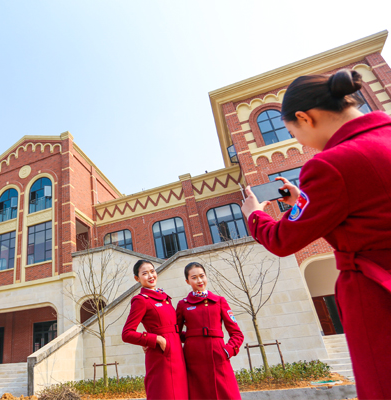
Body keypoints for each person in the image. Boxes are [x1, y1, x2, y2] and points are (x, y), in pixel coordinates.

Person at [240, 69, 391, 400]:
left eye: (292, 131)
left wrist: (254, 215)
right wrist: (302, 202)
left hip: (379, 295)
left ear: (304, 118)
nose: (297, 141)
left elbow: (284, 240)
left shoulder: (331, 165)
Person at [176, 262, 244, 400]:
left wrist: (228, 350)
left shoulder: (219, 301)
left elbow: (237, 333)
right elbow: (175, 332)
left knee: (227, 394)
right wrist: (191, 338)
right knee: (198, 394)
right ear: (187, 281)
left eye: (202, 276)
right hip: (193, 358)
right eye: (194, 277)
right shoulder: (183, 305)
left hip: (218, 355)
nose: (199, 280)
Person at [122, 260, 187, 400]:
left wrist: (195, 336)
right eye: (145, 273)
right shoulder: (141, 300)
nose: (151, 276)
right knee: (165, 394)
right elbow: (127, 334)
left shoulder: (165, 298)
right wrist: (155, 339)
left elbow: (173, 330)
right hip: (161, 356)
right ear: (137, 278)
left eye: (152, 271)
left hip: (177, 354)